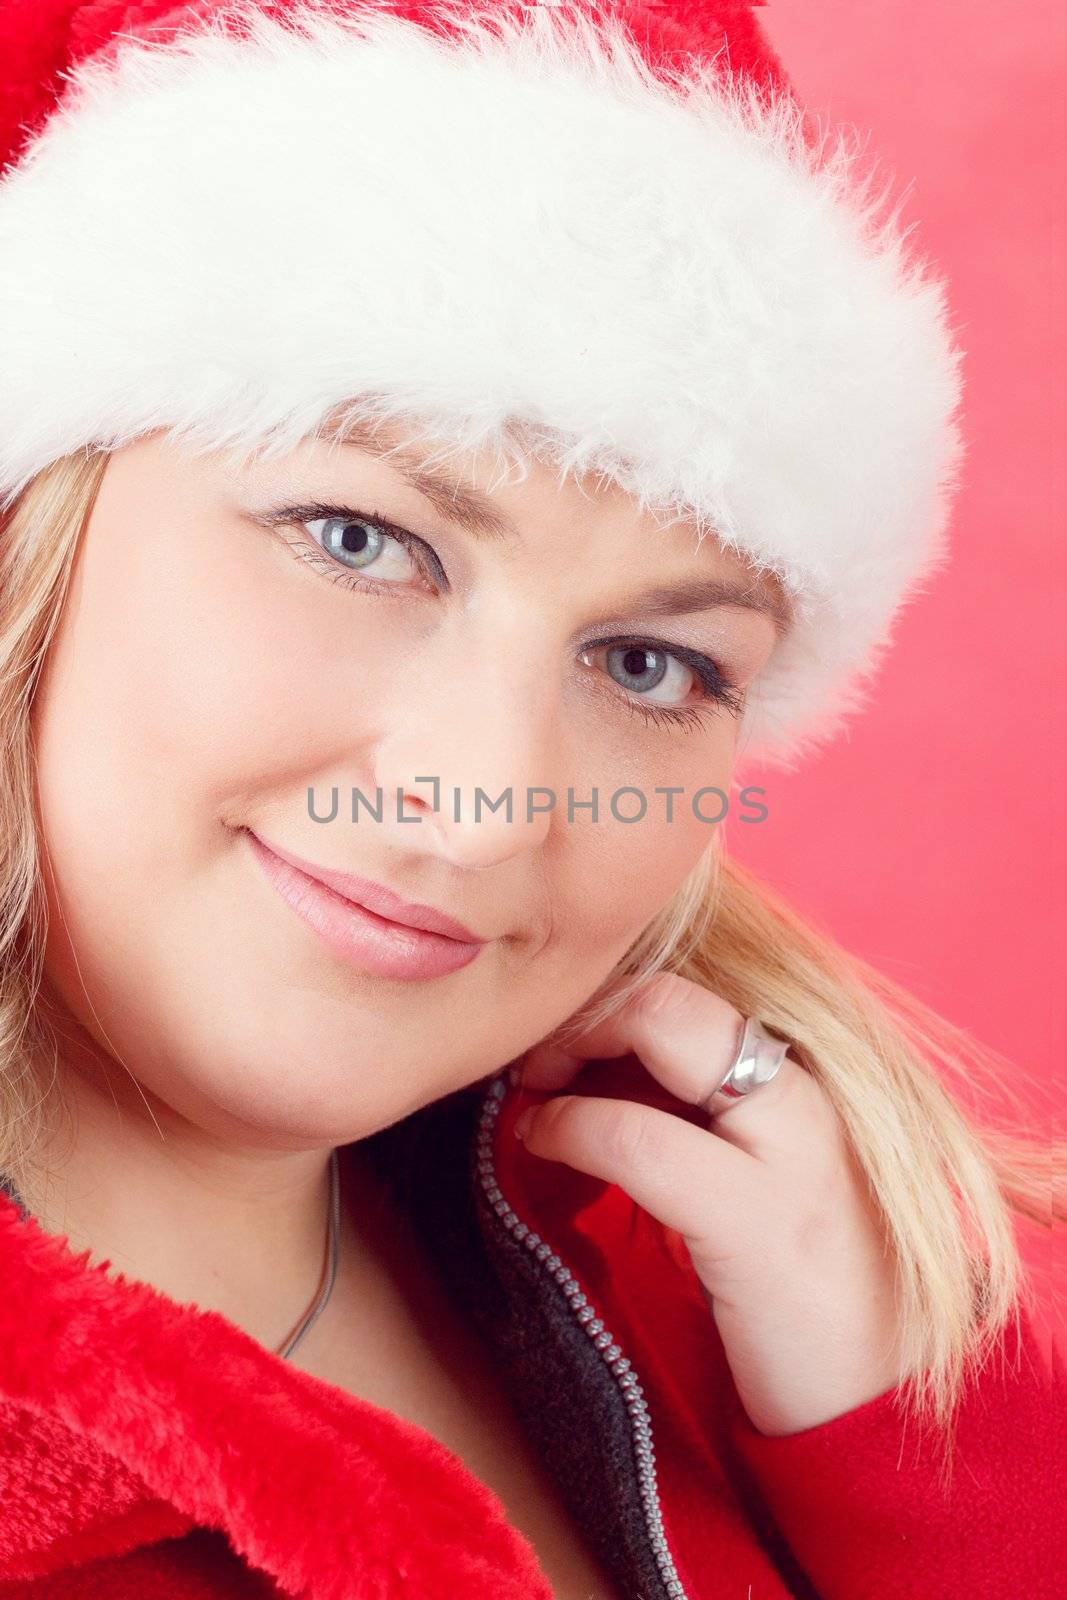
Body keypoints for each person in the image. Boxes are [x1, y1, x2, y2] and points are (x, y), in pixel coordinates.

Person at [0, 2, 1061, 1597]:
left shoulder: (704, 1282)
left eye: (647, 662)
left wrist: (913, 1463)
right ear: (37, 518)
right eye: (359, 539)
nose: (484, 806)